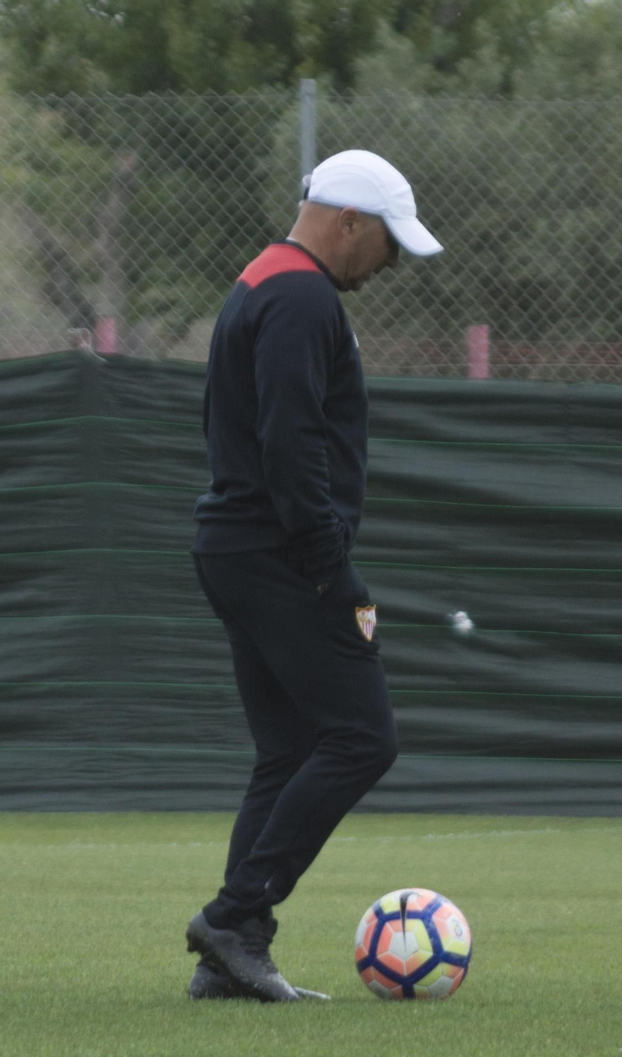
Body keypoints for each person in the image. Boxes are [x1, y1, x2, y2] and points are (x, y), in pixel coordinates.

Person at [185, 150, 443, 1002]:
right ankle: (233, 919)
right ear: (348, 222)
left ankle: (229, 960)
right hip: (282, 553)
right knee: (364, 737)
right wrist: (334, 569)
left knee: (289, 750)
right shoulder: (302, 296)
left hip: (238, 546)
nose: (391, 262)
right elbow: (290, 441)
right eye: (388, 242)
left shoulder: (261, 279)